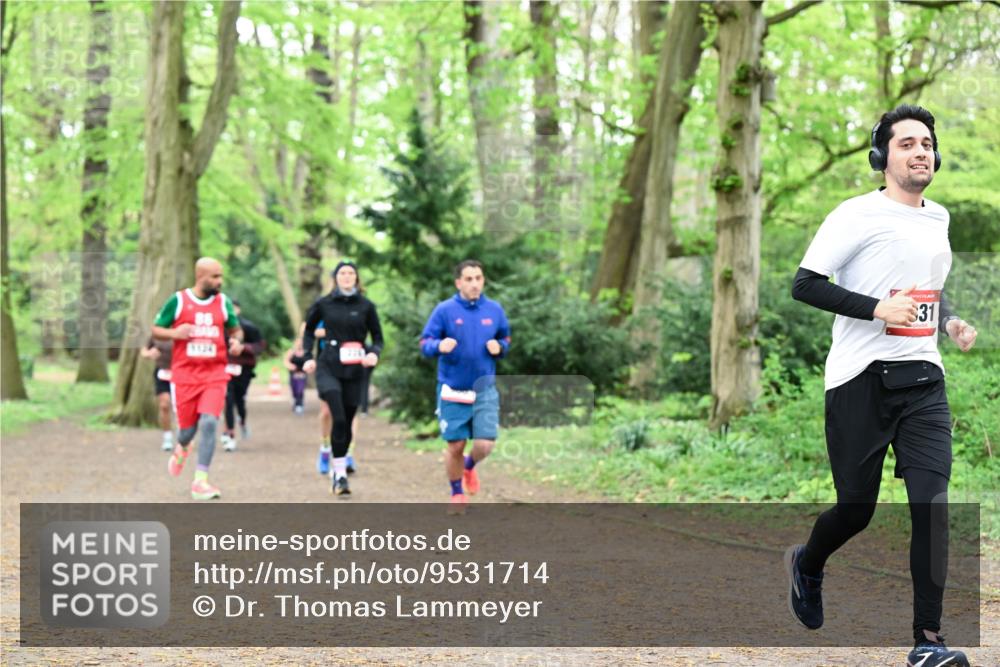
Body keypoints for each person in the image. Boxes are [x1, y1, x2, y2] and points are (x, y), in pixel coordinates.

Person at [786, 105, 977, 667]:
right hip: (859, 381)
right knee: (856, 510)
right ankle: (808, 562)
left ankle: (928, 641)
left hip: (922, 380)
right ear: (882, 156)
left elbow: (926, 292)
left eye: (927, 144)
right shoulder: (854, 215)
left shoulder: (938, 218)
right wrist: (874, 307)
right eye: (907, 144)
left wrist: (948, 320)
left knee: (933, 506)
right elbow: (805, 285)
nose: (920, 152)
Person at [419, 259, 510, 512]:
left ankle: (469, 467)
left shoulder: (494, 310)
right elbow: (425, 342)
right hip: (452, 389)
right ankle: (457, 493)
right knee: (455, 445)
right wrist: (438, 346)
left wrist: (500, 347)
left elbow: (505, 337)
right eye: (468, 279)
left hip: (484, 388)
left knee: (485, 444)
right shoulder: (445, 310)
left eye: (478, 278)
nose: (474, 283)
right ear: (458, 282)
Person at [152, 257, 244, 501]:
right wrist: (174, 332)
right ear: (200, 276)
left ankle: (200, 481)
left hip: (215, 373)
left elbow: (235, 329)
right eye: (215, 276)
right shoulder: (179, 301)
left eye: (221, 276)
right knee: (186, 431)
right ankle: (182, 448)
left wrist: (236, 341)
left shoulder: (223, 302)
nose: (219, 281)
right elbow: (156, 328)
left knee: (210, 422)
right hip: (184, 376)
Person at [302, 261, 383, 496]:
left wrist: (373, 354)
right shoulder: (324, 303)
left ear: (356, 279)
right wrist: (308, 356)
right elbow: (308, 330)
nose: (346, 277)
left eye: (351, 273)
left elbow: (378, 337)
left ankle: (340, 466)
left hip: (355, 368)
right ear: (335, 278)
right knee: (336, 415)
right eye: (342, 273)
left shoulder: (366, 306)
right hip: (328, 365)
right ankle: (339, 475)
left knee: (347, 421)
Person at [314, 319, 366, 475]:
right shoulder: (325, 308)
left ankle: (348, 453)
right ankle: (325, 448)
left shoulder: (359, 308)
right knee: (327, 412)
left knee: (351, 411)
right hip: (329, 366)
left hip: (352, 365)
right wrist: (335, 331)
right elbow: (309, 330)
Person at [221, 299, 265, 452]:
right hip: (224, 369)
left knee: (239, 401)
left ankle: (242, 421)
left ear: (238, 310)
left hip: (244, 370)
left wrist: (243, 348)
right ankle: (230, 435)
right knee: (228, 399)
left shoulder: (249, 327)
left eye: (234, 308)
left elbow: (260, 346)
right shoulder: (220, 327)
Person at [139, 337, 174, 451]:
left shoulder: (184, 328)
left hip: (182, 372)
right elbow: (143, 351)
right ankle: (167, 437)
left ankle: (185, 436)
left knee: (184, 407)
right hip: (163, 373)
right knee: (164, 405)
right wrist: (149, 353)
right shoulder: (158, 332)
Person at [285, 327, 308, 414]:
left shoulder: (305, 352)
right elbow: (286, 361)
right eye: (298, 343)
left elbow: (309, 361)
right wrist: (290, 366)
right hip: (293, 374)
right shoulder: (291, 352)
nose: (299, 344)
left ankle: (300, 405)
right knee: (294, 390)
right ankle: (295, 402)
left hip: (302, 374)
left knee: (300, 390)